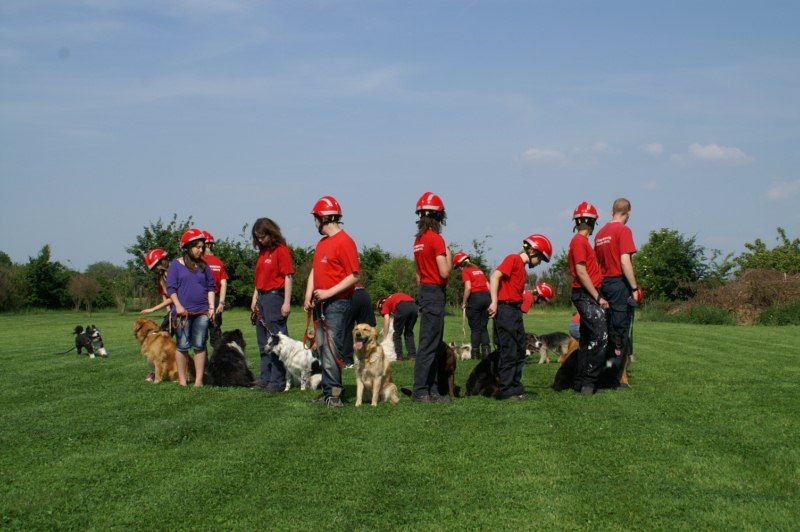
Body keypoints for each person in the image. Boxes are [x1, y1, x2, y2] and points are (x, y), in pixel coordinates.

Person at [303, 196, 360, 408]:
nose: (315, 223)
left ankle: (335, 395)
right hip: (321, 304)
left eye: (316, 218)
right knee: (322, 350)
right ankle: (327, 392)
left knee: (332, 352)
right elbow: (315, 270)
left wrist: (327, 293)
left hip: (337, 304)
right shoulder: (322, 243)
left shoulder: (345, 241)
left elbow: (354, 275)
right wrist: (309, 295)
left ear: (323, 218)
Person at [488, 234, 552, 401]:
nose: (539, 263)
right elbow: (495, 276)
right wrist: (494, 302)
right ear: (532, 251)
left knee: (518, 351)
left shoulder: (522, 269)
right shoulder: (513, 259)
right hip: (505, 310)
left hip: (514, 312)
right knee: (509, 351)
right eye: (540, 259)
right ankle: (507, 391)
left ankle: (516, 388)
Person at [594, 198, 643, 387]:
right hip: (619, 284)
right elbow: (625, 261)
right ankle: (617, 378)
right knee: (620, 333)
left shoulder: (600, 233)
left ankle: (603, 370)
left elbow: (597, 264)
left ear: (612, 211)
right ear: (628, 213)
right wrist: (634, 287)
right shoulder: (624, 231)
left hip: (604, 284)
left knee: (608, 331)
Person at [411, 192, 452, 404]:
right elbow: (444, 272)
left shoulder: (418, 240)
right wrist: (449, 256)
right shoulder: (436, 239)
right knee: (429, 344)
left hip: (425, 291)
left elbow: (418, 274)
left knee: (431, 342)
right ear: (439, 217)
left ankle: (433, 389)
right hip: (435, 292)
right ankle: (420, 391)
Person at [568, 202, 609, 396]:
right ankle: (589, 383)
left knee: (586, 339)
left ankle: (580, 382)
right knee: (600, 337)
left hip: (586, 294)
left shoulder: (583, 243)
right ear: (590, 222)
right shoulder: (579, 242)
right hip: (586, 295)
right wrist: (598, 297)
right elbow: (581, 271)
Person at [167, 228, 216, 387]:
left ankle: (198, 381)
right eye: (197, 247)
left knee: (199, 345)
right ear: (187, 247)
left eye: (202, 247)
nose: (200, 250)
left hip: (202, 312)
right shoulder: (175, 265)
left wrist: (211, 308)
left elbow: (211, 287)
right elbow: (171, 289)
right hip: (183, 313)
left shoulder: (204, 266)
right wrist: (178, 306)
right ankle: (182, 380)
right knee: (182, 346)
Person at [250, 218, 295, 392]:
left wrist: (286, 302)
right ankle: (265, 378)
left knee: (277, 342)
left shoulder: (281, 250)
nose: (260, 240)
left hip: (275, 298)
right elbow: (259, 279)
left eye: (262, 237)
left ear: (271, 233)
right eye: (257, 238)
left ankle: (277, 381)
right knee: (263, 342)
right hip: (261, 297)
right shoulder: (262, 253)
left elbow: (288, 276)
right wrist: (255, 298)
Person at [140, 248, 171, 381]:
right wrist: (169, 312)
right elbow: (165, 296)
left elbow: (174, 297)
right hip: (172, 310)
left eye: (157, 265)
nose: (156, 269)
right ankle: (155, 371)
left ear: (163, 261)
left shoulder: (175, 272)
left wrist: (153, 309)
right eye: (153, 268)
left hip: (184, 308)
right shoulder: (160, 278)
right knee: (158, 343)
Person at [454, 251, 490, 360]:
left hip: (475, 299)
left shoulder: (466, 271)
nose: (459, 269)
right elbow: (488, 286)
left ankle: (475, 354)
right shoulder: (479, 270)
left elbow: (468, 288)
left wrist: (464, 303)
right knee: (483, 327)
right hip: (486, 298)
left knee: (475, 328)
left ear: (461, 264)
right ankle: (487, 352)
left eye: (458, 267)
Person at [201, 230, 228, 346]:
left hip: (201, 300)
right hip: (216, 300)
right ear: (211, 245)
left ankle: (202, 364)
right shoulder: (219, 262)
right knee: (216, 334)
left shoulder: (198, 262)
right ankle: (219, 362)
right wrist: (221, 303)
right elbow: (224, 284)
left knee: (201, 337)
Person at [341, 282, 377, 367]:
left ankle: (348, 361)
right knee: (368, 328)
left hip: (351, 295)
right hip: (364, 294)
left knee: (347, 329)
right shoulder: (353, 273)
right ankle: (371, 357)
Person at [376, 292, 418, 361]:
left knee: (397, 334)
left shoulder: (385, 303)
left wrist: (385, 336)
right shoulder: (393, 297)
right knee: (409, 332)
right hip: (414, 306)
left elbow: (386, 320)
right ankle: (412, 355)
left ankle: (399, 356)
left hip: (402, 307)